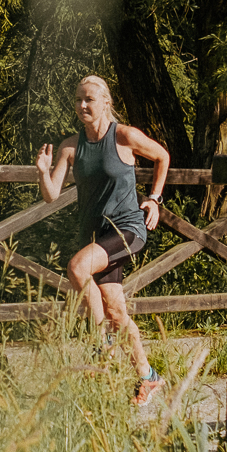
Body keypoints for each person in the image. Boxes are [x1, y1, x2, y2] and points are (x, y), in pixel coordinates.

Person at [36, 75, 172, 405]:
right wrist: (42, 171)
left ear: (105, 102)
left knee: (77, 267)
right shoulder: (71, 146)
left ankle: (102, 345)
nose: (82, 105)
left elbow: (162, 157)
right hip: (95, 236)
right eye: (78, 99)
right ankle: (148, 377)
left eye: (89, 99)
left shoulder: (124, 136)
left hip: (127, 229)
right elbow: (51, 195)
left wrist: (154, 198)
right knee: (115, 309)